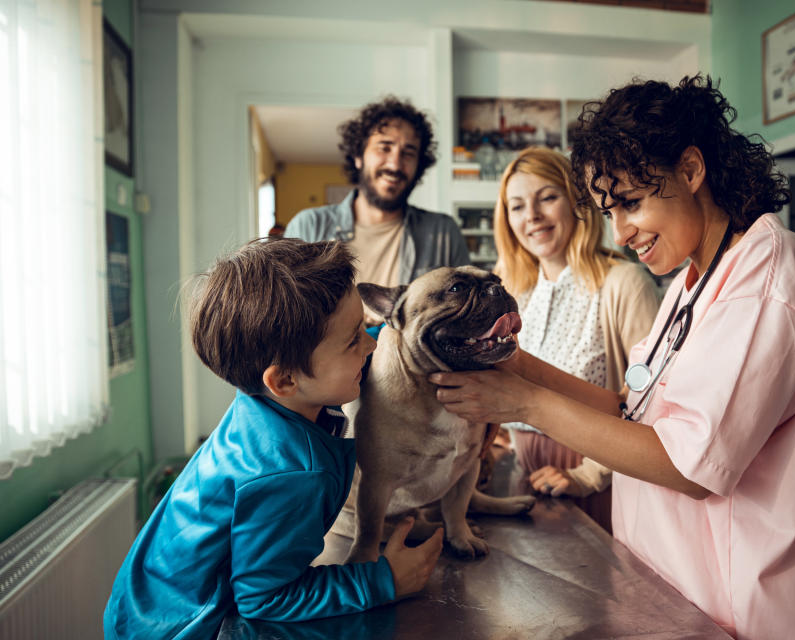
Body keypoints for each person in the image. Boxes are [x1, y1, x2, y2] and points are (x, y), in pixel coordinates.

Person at [429, 75, 795, 640]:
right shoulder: (692, 280)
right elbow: (632, 411)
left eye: (630, 203)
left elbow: (687, 466)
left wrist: (525, 399)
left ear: (692, 170)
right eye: (609, 210)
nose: (621, 231)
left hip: (743, 611)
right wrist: (520, 366)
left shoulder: (767, 278)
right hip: (675, 593)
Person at [104, 239, 443, 639]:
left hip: (141, 605)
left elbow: (333, 355)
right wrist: (384, 581)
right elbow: (264, 599)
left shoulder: (264, 399)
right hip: (186, 628)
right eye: (355, 338)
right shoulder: (291, 473)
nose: (371, 343)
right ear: (283, 379)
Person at [491, 147, 660, 532]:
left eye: (547, 198)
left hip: (598, 483)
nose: (531, 216)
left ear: (576, 202)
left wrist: (588, 475)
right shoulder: (511, 289)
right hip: (526, 479)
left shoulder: (623, 283)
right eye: (517, 206)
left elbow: (650, 403)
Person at [284, 96, 470, 325]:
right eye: (384, 148)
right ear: (358, 156)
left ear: (419, 166)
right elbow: (286, 319)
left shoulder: (443, 232)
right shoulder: (308, 227)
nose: (394, 164)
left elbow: (464, 317)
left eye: (408, 152)